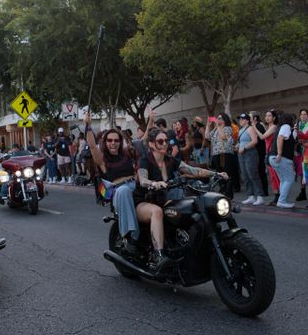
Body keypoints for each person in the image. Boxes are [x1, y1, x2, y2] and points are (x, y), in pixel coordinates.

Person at [137, 127, 229, 272]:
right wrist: (153, 183)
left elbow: (193, 170)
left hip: (163, 199)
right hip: (144, 201)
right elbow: (142, 179)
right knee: (157, 212)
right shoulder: (145, 160)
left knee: (187, 208)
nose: (164, 144)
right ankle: (158, 255)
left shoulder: (170, 160)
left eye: (166, 141)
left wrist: (215, 174)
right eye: (160, 141)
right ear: (151, 144)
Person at [84, 113, 140, 255]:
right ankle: (131, 237)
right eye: (109, 140)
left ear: (120, 142)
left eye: (116, 140)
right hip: (118, 191)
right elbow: (91, 145)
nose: (113, 143)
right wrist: (88, 126)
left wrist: (151, 120)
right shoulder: (102, 159)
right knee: (124, 191)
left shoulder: (127, 154)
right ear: (105, 142)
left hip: (136, 187)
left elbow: (145, 142)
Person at [268, 113, 297, 209]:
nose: (294, 122)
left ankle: (282, 200)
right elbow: (281, 138)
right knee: (289, 178)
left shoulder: (280, 127)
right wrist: (279, 153)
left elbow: (285, 139)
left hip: (273, 157)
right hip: (281, 157)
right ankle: (282, 201)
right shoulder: (286, 126)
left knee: (284, 179)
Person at [205, 113, 237, 198]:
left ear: (224, 120)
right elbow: (207, 136)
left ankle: (229, 194)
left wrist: (217, 126)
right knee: (219, 174)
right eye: (217, 118)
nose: (217, 120)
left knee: (227, 174)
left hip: (225, 154)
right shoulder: (216, 129)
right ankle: (223, 191)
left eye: (219, 118)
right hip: (216, 154)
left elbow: (223, 137)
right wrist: (208, 125)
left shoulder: (228, 128)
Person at [236, 113, 265, 205]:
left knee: (253, 174)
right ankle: (251, 196)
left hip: (250, 153)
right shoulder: (241, 130)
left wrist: (244, 148)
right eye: (239, 119)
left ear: (247, 120)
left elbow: (254, 141)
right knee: (245, 175)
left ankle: (260, 196)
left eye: (242, 119)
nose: (240, 120)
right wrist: (237, 146)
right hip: (241, 154)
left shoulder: (250, 128)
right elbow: (241, 142)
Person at [255, 110, 280, 204]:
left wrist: (254, 127)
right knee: (272, 176)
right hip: (268, 153)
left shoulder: (273, 127)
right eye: (266, 115)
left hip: (272, 153)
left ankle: (279, 196)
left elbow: (262, 137)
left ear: (274, 118)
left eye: (269, 116)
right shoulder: (269, 126)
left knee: (275, 175)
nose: (267, 117)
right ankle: (276, 195)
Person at [251, 111, 270, 197]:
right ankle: (261, 190)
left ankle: (264, 191)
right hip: (256, 151)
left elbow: (262, 137)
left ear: (255, 118)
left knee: (261, 171)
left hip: (260, 151)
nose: (248, 118)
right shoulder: (254, 126)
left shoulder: (258, 125)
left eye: (250, 117)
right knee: (258, 171)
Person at [295, 109, 308, 202]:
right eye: (301, 114)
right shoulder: (298, 125)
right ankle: (302, 191)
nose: (303, 116)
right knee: (300, 172)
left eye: (305, 114)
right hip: (299, 151)